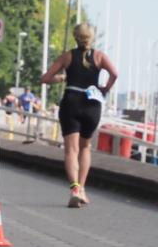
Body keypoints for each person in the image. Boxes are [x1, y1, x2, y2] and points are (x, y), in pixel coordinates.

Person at [40, 23, 118, 208]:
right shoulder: (100, 56)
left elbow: (44, 78)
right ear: (92, 37)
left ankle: (74, 188)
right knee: (85, 147)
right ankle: (82, 188)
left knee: (71, 150)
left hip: (71, 102)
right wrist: (105, 89)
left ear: (76, 37)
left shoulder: (68, 56)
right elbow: (115, 73)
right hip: (92, 104)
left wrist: (60, 77)